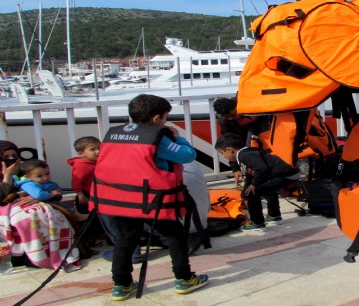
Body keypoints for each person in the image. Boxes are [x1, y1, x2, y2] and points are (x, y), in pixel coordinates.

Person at [92, 94, 207, 301]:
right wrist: (177, 136)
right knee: (175, 236)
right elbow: (187, 155)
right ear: (156, 119)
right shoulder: (157, 137)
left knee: (124, 240)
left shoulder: (113, 134)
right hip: (151, 200)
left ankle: (121, 285)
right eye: (165, 117)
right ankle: (184, 279)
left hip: (118, 198)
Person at [0, 140, 82, 271]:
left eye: (14, 155)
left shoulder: (24, 170)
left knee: (48, 213)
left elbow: (52, 189)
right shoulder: (13, 173)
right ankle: (28, 255)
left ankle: (52, 252)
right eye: (6, 157)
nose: (11, 159)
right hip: (5, 207)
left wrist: (42, 195)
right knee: (25, 219)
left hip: (29, 203)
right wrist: (8, 176)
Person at [215, 134, 300, 232]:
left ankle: (257, 223)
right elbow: (250, 176)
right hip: (287, 174)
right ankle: (274, 216)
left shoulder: (244, 156)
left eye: (222, 153)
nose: (224, 157)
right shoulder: (247, 153)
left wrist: (253, 186)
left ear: (230, 150)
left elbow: (262, 169)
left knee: (252, 193)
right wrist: (245, 192)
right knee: (265, 190)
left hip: (285, 176)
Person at [67, 136, 104, 247]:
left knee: (97, 217)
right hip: (86, 196)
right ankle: (88, 239)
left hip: (95, 195)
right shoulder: (82, 166)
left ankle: (98, 234)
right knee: (90, 219)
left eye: (99, 148)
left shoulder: (94, 162)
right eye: (92, 149)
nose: (97, 151)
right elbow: (76, 181)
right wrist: (80, 195)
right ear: (81, 153)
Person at [181, 161, 210, 255]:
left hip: (181, 229)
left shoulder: (157, 163)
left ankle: (136, 256)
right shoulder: (191, 161)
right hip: (201, 226)